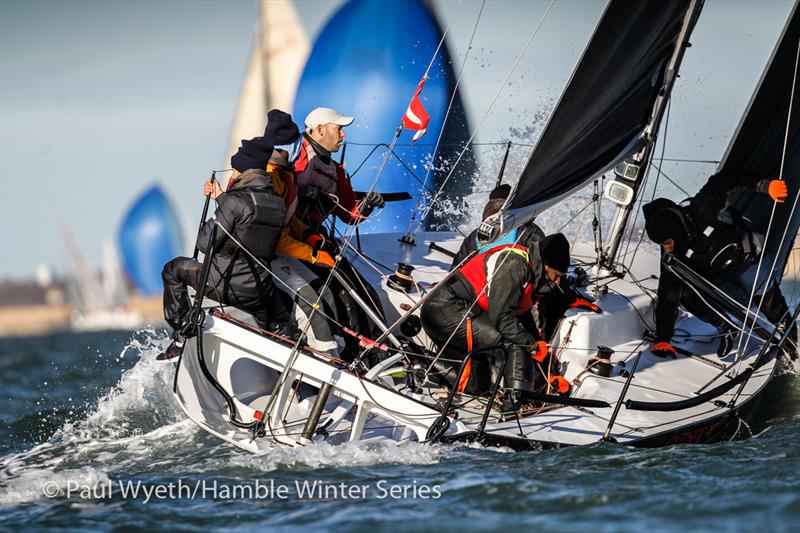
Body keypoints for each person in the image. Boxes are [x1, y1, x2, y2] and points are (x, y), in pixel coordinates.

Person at [643, 172, 796, 358]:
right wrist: (663, 339)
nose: (666, 248)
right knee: (684, 294)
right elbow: (667, 295)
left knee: (773, 309)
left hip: (748, 261)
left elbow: (726, 178)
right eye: (662, 245)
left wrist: (765, 185)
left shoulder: (702, 208)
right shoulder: (672, 253)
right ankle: (727, 327)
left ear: (674, 230)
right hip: (718, 275)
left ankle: (794, 346)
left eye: (667, 242)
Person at [157, 154, 292, 362]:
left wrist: (221, 205)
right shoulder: (276, 202)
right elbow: (248, 214)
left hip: (223, 285)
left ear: (241, 173)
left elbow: (204, 243)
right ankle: (292, 374)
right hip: (260, 291)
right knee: (281, 319)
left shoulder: (234, 201)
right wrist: (221, 197)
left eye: (234, 171)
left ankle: (181, 334)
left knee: (172, 269)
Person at [421, 229, 573, 408]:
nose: (557, 283)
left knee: (476, 385)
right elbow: (502, 319)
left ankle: (418, 362)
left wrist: (549, 372)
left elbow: (525, 324)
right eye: (558, 276)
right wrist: (530, 345)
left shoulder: (533, 274)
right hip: (445, 310)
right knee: (515, 344)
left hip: (461, 313)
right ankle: (516, 409)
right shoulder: (515, 264)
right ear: (546, 264)